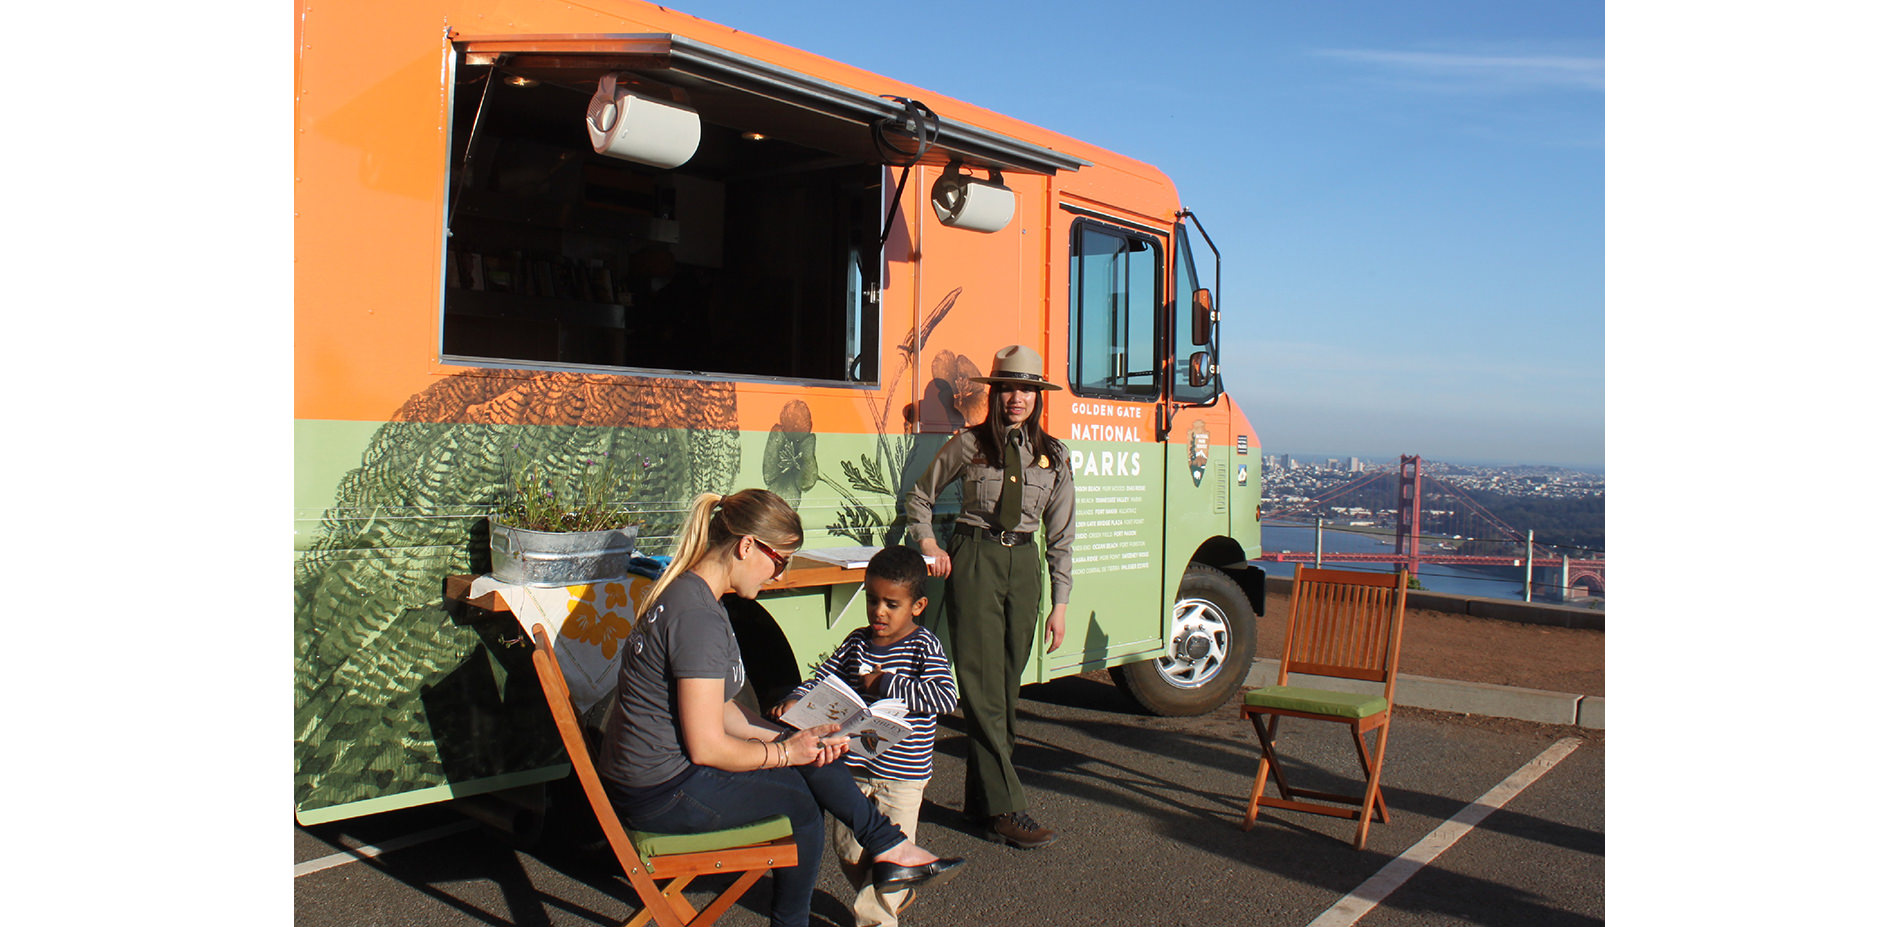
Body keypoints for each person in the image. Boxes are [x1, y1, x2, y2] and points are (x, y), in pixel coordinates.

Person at [596, 489, 963, 927]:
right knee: (802, 807)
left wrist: (793, 740)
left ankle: (888, 845)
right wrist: (787, 753)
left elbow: (725, 710)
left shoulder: (687, 595)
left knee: (806, 760)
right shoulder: (697, 618)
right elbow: (708, 747)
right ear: (746, 546)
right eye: (780, 560)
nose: (777, 575)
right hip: (660, 792)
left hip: (645, 777)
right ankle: (861, 868)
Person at [904, 345, 1075, 850]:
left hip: (1024, 568)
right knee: (979, 688)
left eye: (1026, 389)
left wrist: (1060, 603)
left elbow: (1061, 536)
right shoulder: (969, 445)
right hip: (974, 559)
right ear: (996, 394)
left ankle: (980, 803)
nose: (1017, 398)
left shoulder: (1055, 456)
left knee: (1005, 690)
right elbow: (919, 496)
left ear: (1037, 397)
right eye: (1008, 389)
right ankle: (1008, 808)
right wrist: (929, 543)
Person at [770, 546, 957, 927]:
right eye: (872, 600)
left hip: (903, 777)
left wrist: (887, 682)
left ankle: (879, 912)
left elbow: (945, 696)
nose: (879, 612)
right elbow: (825, 678)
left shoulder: (925, 647)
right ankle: (899, 886)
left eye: (892, 603)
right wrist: (795, 699)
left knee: (888, 859)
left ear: (917, 606)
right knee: (850, 850)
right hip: (852, 767)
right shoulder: (857, 642)